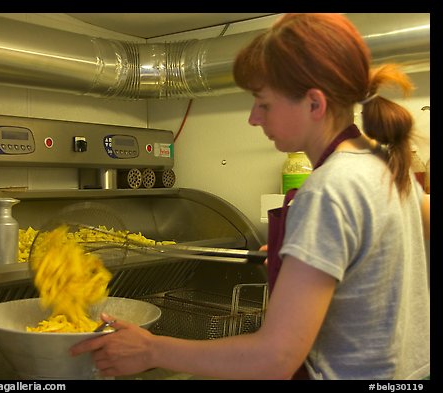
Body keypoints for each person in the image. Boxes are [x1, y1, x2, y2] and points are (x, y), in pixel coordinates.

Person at [70, 13, 430, 380]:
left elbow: (274, 359)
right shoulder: (384, 163)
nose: (254, 119)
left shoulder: (330, 190)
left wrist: (151, 348)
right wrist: (309, 257)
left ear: (314, 104)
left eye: (264, 103)